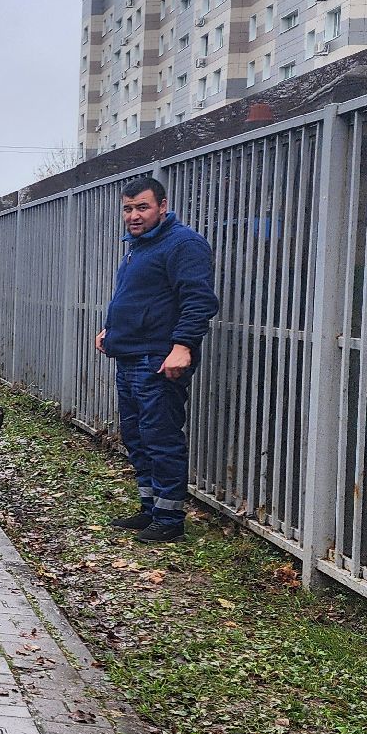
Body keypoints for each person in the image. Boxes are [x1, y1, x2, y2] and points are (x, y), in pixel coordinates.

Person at [95, 175, 219, 544]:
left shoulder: (184, 245)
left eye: (142, 207)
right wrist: (109, 329)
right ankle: (150, 508)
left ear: (162, 207)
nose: (133, 215)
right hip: (130, 354)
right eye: (128, 208)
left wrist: (183, 346)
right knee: (136, 435)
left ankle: (169, 518)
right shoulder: (138, 246)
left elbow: (198, 300)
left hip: (159, 359)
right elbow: (133, 296)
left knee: (160, 436)